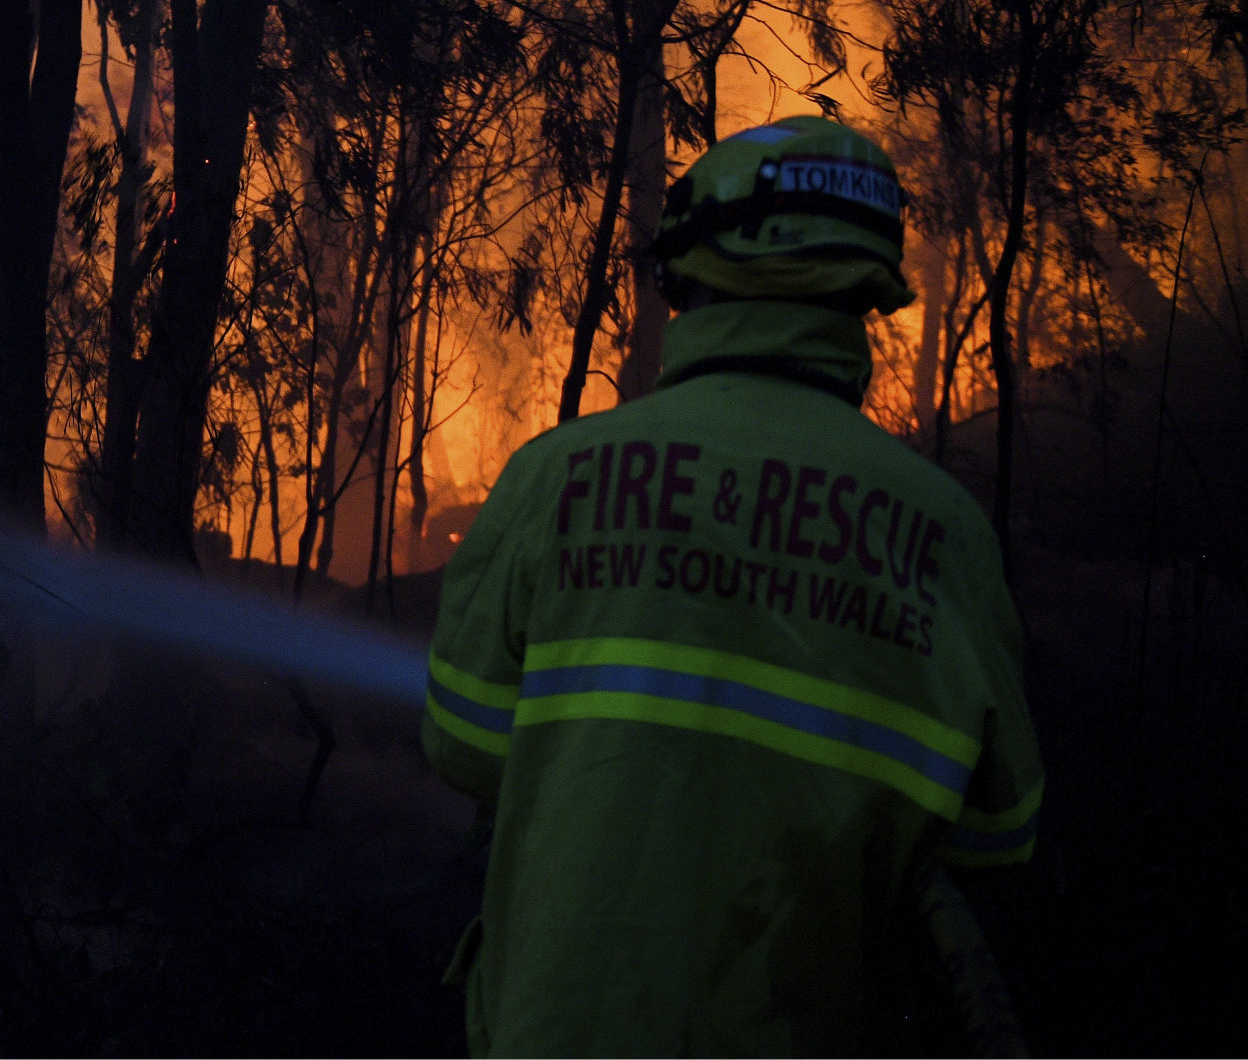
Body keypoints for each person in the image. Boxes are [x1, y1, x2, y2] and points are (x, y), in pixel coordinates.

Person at [422, 116, 1043, 1056]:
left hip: (555, 1027)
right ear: (865, 289)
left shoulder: (556, 478)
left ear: (693, 272)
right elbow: (999, 837)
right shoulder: (945, 532)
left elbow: (464, 743)